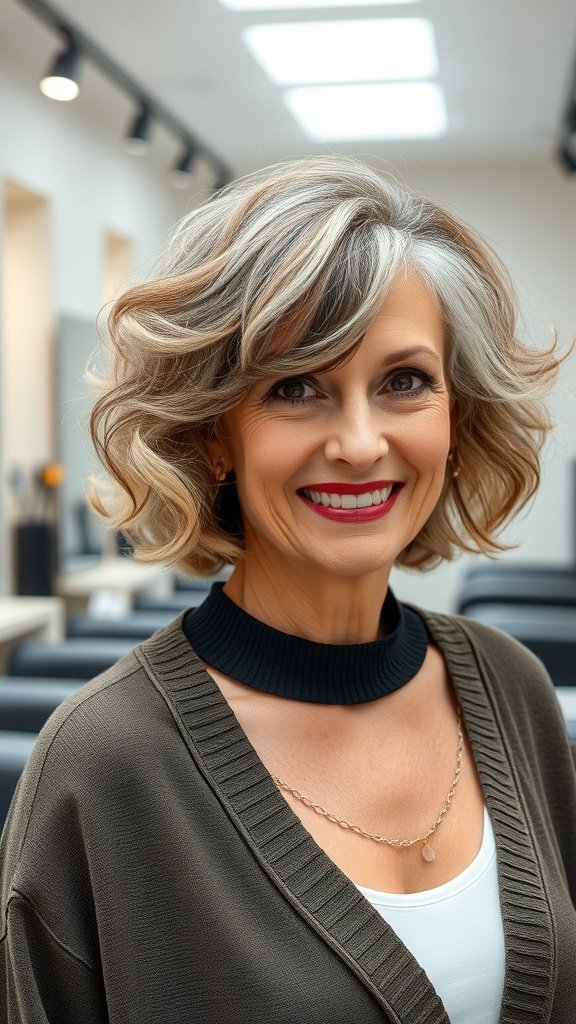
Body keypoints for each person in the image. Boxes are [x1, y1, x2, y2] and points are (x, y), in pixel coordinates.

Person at [1, 156, 575, 1024]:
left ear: (457, 416)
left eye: (404, 382)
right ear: (215, 432)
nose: (357, 441)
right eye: (295, 387)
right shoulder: (105, 763)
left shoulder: (513, 688)